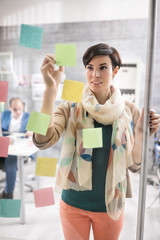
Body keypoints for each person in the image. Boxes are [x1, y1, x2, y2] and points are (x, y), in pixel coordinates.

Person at [33, 44, 160, 240]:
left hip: (109, 206)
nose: (95, 74)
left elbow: (135, 166)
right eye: (90, 67)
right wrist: (50, 89)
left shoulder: (129, 110)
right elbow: (41, 140)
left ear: (115, 71)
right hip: (73, 204)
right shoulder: (70, 105)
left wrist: (144, 134)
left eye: (103, 67)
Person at [0, 97, 32, 199]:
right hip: (5, 144)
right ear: (10, 108)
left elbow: (40, 134)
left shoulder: (29, 117)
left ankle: (8, 193)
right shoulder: (4, 115)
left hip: (19, 147)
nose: (18, 112)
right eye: (15, 109)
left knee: (11, 157)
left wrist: (32, 132)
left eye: (20, 109)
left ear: (23, 107)